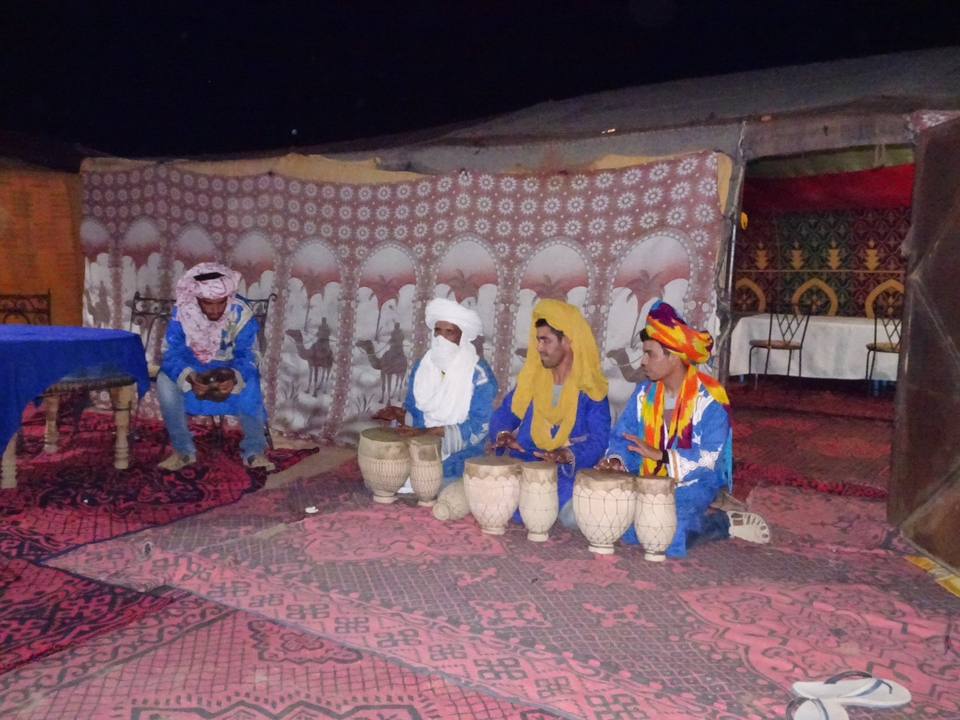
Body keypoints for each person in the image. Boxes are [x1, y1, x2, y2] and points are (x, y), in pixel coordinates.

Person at [599, 301, 770, 556]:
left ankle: (723, 523)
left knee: (665, 534)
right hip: (649, 481)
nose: (643, 361)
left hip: (695, 482)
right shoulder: (644, 393)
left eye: (650, 354)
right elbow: (624, 435)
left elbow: (710, 457)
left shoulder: (710, 398)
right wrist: (616, 460)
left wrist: (662, 456)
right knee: (618, 524)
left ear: (675, 356)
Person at [488, 299, 610, 527]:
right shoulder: (533, 380)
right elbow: (505, 412)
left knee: (575, 514)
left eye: (546, 340)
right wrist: (503, 432)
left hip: (564, 473)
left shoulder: (590, 389)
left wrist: (567, 454)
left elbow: (599, 441)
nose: (539, 348)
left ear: (567, 342)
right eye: (538, 340)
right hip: (525, 461)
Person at [156, 262, 274, 472]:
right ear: (197, 298)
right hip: (193, 366)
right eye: (209, 304)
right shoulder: (182, 312)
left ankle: (254, 451)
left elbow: (250, 353)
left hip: (229, 366)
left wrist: (233, 375)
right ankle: (183, 451)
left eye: (221, 303)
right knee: (165, 380)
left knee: (250, 380)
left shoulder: (240, 311)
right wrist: (191, 377)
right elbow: (171, 352)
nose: (216, 310)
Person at [374, 298, 497, 487]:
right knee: (382, 474)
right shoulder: (423, 366)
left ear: (462, 336)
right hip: (421, 443)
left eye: (450, 332)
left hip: (460, 451)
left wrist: (426, 433)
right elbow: (415, 412)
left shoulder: (479, 373)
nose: (441, 338)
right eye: (437, 331)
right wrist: (400, 414)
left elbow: (479, 426)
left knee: (433, 483)